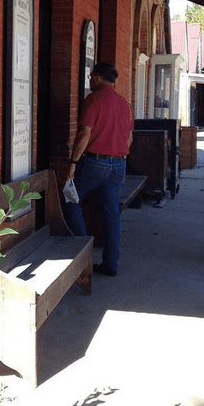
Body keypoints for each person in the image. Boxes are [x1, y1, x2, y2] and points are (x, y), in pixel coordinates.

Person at [64, 62, 134, 277]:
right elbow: (129, 138)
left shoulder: (93, 99)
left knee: (70, 199)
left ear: (96, 77)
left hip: (94, 162)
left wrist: (73, 163)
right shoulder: (125, 104)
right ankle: (111, 264)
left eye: (90, 77)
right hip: (119, 164)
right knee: (112, 214)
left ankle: (83, 256)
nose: (89, 81)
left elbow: (85, 133)